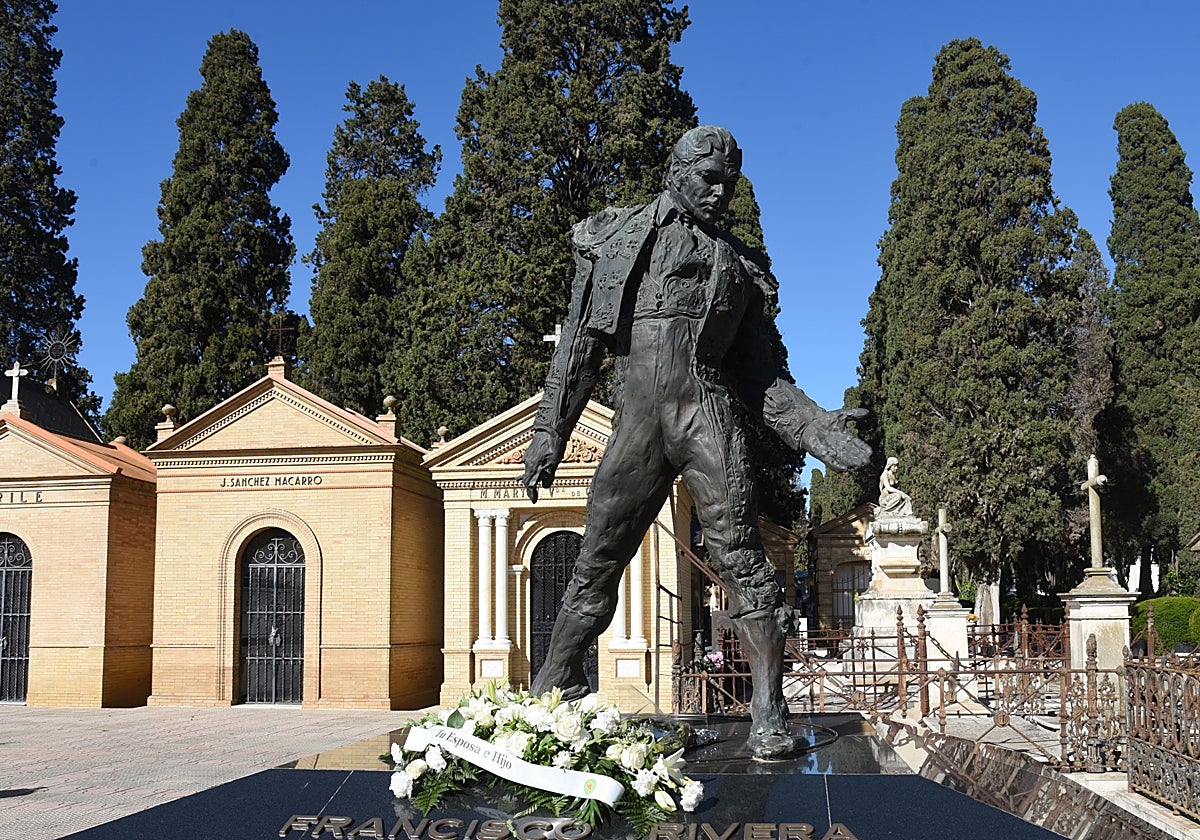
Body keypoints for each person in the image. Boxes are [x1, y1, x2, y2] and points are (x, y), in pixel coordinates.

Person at [522, 126, 870, 759]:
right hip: (637, 424)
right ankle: (554, 683)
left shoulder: (739, 266)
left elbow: (762, 378)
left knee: (743, 558)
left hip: (707, 415)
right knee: (597, 556)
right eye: (708, 179)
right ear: (676, 172)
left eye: (728, 184)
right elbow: (577, 348)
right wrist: (551, 432)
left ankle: (768, 713)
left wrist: (818, 428)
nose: (719, 193)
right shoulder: (615, 238)